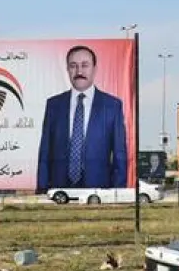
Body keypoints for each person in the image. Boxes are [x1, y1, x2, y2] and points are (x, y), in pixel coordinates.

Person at [36, 45, 129, 192]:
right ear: (67, 69)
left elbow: (120, 154)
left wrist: (118, 194)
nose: (79, 71)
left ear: (95, 69)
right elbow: (45, 153)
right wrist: (42, 190)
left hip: (99, 191)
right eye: (73, 66)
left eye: (85, 65)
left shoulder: (112, 106)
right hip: (59, 191)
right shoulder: (54, 105)